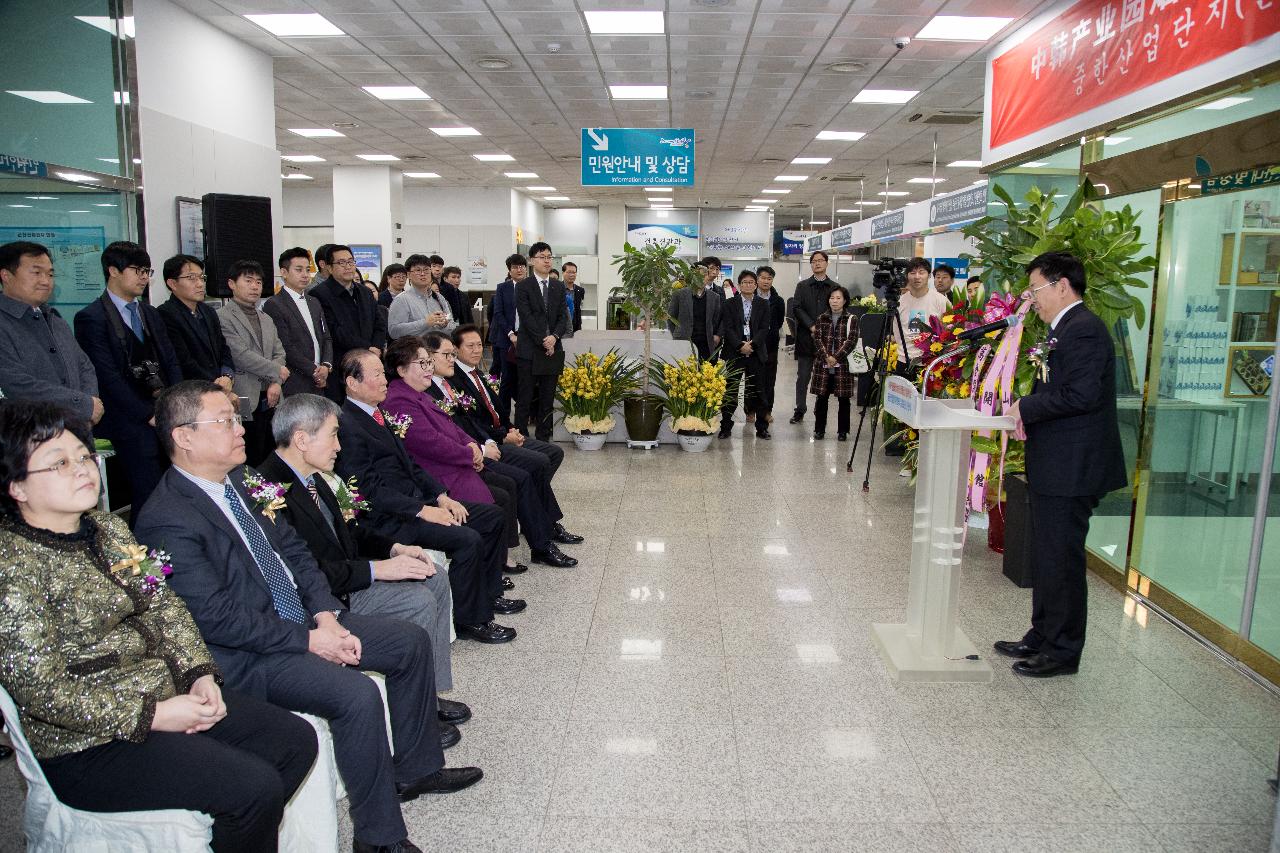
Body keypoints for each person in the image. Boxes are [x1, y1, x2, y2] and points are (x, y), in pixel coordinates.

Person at [135, 381, 482, 853]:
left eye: (237, 419)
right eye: (226, 421)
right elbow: (215, 618)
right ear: (184, 436)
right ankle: (379, 838)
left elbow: (296, 554)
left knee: (408, 642)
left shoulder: (241, 482)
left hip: (303, 620)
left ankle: (417, 770)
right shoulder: (168, 517)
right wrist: (308, 640)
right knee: (357, 695)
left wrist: (326, 615)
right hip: (248, 653)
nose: (241, 430)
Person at [0, 399, 318, 852]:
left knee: (293, 740)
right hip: (89, 740)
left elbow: (163, 608)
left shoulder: (107, 529)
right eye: (59, 464)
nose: (83, 469)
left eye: (84, 456)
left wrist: (198, 673)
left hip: (164, 692)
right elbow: (44, 690)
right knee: (253, 788)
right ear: (17, 487)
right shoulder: (12, 566)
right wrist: (154, 715)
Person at [256, 394, 470, 724]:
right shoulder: (270, 492)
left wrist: (393, 549)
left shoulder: (312, 479)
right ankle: (418, 710)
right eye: (333, 434)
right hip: (326, 598)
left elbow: (351, 533)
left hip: (346, 576)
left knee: (434, 576)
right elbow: (305, 573)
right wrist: (379, 569)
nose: (339, 446)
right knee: (418, 601)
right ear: (301, 439)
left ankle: (431, 691)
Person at [1001, 252, 1127, 678]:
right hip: (1056, 462)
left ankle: (1063, 650)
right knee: (1047, 555)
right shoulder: (1063, 328)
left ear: (1061, 286)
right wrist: (1027, 414)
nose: (1030, 298)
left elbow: (1082, 395)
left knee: (1062, 560)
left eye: (1035, 289)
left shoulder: (1084, 331)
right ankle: (1042, 633)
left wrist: (1027, 406)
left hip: (1074, 467)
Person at [335, 349, 516, 645]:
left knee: (492, 516)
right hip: (389, 518)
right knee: (467, 539)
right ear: (352, 383)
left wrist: (440, 496)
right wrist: (422, 509)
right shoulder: (349, 427)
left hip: (417, 501)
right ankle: (472, 619)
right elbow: (370, 490)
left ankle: (487, 595)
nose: (384, 380)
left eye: (383, 373)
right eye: (378, 375)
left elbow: (411, 465)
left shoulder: (377, 413)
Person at [420, 332, 577, 568]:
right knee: (524, 475)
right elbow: (455, 431)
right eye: (449, 354)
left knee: (545, 459)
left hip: (483, 444)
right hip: (469, 456)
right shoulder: (434, 387)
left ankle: (541, 524)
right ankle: (540, 540)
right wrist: (487, 446)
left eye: (479, 345)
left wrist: (504, 433)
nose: (452, 358)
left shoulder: (449, 382)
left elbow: (476, 420)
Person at [382, 336, 535, 577]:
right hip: (439, 473)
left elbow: (452, 427)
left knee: (507, 487)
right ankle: (490, 573)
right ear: (401, 370)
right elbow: (430, 442)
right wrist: (469, 453)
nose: (429, 368)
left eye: (428, 362)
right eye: (422, 363)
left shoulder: (420, 393)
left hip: (458, 464)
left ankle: (497, 564)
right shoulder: (400, 400)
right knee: (497, 502)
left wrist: (473, 446)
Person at [74, 241, 182, 516]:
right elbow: (107, 376)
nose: (144, 277)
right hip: (127, 418)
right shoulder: (91, 318)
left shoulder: (150, 313)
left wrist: (176, 403)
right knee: (147, 493)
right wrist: (147, 414)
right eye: (137, 270)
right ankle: (145, 553)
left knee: (175, 485)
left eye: (148, 271)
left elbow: (170, 360)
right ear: (113, 270)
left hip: (162, 408)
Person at [0, 241, 102, 426]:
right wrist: (82, 405)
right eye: (36, 273)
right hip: (28, 438)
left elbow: (84, 366)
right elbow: (15, 384)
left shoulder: (54, 319)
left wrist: (89, 405)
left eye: (50, 274)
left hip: (74, 431)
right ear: (6, 275)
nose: (46, 281)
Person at [217, 261, 288, 467]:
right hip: (244, 394)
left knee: (272, 453)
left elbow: (279, 351)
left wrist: (276, 381)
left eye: (258, 281)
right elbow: (240, 355)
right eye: (248, 281)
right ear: (232, 283)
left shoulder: (266, 317)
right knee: (248, 453)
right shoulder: (222, 317)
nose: (255, 286)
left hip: (272, 395)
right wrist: (277, 371)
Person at [157, 254, 236, 398]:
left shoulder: (208, 312)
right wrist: (217, 387)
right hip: (189, 395)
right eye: (191, 278)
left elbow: (223, 349)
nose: (200, 283)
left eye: (202, 277)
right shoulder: (165, 314)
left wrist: (227, 376)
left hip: (217, 389)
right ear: (172, 283)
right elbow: (184, 361)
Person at [263, 247, 336, 401]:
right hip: (296, 380)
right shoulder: (274, 304)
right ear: (284, 272)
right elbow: (285, 345)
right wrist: (314, 370)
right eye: (298, 269)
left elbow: (326, 337)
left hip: (321, 380)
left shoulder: (314, 301)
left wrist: (326, 366)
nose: (305, 275)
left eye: (307, 269)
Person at [514, 242, 568, 442]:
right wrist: (543, 340)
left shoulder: (558, 286)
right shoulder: (523, 286)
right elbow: (526, 317)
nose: (546, 260)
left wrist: (554, 337)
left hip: (552, 349)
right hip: (529, 349)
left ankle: (544, 437)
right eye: (542, 257)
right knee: (525, 397)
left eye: (549, 257)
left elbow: (563, 316)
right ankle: (521, 437)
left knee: (547, 398)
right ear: (531, 260)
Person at [718, 270, 770, 440]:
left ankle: (762, 427)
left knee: (759, 391)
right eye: (745, 282)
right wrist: (740, 345)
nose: (748, 285)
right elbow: (728, 328)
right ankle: (725, 426)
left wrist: (752, 345)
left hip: (756, 353)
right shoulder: (729, 304)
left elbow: (764, 328)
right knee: (730, 391)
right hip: (735, 352)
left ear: (756, 285)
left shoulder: (763, 304)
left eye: (751, 282)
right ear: (739, 285)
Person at [311, 244, 387, 358]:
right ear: (330, 268)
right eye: (341, 263)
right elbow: (333, 331)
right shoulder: (318, 294)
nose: (348, 266)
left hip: (371, 357)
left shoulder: (365, 292)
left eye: (351, 261)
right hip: (341, 360)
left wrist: (376, 346)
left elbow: (379, 323)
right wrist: (367, 348)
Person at [789, 251, 836, 424]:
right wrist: (811, 326)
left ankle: (819, 409)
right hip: (806, 339)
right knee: (803, 376)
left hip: (827, 340)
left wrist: (823, 328)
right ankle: (800, 409)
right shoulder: (802, 286)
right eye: (814, 261)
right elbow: (797, 307)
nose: (817, 264)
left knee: (823, 377)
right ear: (811, 265)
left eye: (820, 261)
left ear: (826, 263)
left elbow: (837, 309)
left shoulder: (834, 287)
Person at [810, 286, 857, 441]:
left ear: (844, 300)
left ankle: (842, 431)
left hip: (842, 366)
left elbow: (851, 341)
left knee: (844, 400)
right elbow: (817, 339)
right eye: (832, 298)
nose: (835, 301)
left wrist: (836, 357)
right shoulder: (821, 318)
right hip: (823, 366)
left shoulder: (851, 319)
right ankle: (819, 430)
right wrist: (827, 357)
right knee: (821, 399)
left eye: (838, 298)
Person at [489, 254, 525, 422]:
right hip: (506, 339)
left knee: (524, 379)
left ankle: (522, 418)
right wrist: (510, 334)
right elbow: (498, 313)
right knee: (506, 380)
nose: (520, 269)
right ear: (509, 270)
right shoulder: (503, 288)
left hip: (527, 339)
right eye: (516, 267)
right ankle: (503, 419)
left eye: (522, 266)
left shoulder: (531, 287)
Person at [895, 257, 950, 367]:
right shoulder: (899, 302)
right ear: (907, 276)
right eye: (912, 272)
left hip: (930, 362)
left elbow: (948, 331)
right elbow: (897, 333)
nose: (917, 277)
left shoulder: (941, 301)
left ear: (929, 275)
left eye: (921, 272)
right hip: (903, 360)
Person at [388, 254, 455, 341]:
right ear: (408, 274)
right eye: (418, 270)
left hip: (439, 351)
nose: (423, 274)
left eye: (426, 270)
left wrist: (445, 325)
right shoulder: (401, 300)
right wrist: (425, 323)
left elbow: (452, 324)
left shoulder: (439, 298)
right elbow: (394, 331)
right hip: (414, 352)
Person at [667, 256, 722, 360]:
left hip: (705, 344)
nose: (702, 278)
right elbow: (671, 318)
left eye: (705, 274)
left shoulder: (714, 297)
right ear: (692, 276)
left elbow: (715, 321)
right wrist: (678, 334)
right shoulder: (679, 294)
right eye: (698, 275)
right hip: (684, 342)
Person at [755, 265, 786, 430]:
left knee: (769, 381)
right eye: (763, 278)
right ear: (757, 279)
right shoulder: (748, 297)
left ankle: (766, 411)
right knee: (751, 380)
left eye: (769, 278)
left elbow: (779, 322)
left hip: (771, 346)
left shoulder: (778, 301)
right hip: (752, 345)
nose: (766, 281)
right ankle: (750, 409)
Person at [563, 262, 584, 337]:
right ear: (563, 273)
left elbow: (579, 308)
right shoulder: (558, 288)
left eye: (574, 272)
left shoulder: (580, 290)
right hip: (562, 327)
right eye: (569, 272)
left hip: (576, 327)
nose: (571, 275)